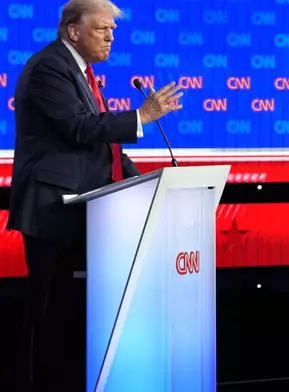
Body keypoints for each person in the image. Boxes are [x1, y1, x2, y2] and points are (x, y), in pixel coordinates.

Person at [6, 0, 184, 390]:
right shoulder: (49, 67)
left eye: (113, 31)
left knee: (70, 316)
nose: (111, 37)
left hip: (78, 212)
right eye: (103, 29)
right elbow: (78, 128)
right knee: (46, 314)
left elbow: (101, 147)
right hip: (53, 211)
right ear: (73, 31)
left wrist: (153, 182)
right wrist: (141, 116)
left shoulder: (81, 72)